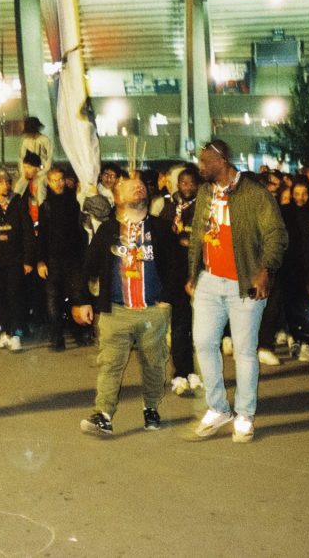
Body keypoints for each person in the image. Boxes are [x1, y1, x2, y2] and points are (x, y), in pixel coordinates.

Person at [185, 139, 288, 443]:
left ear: (223, 159)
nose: (201, 166)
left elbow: (276, 235)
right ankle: (218, 408)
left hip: (244, 283)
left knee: (244, 351)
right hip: (209, 281)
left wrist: (265, 269)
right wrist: (193, 274)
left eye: (206, 161)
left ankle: (244, 414)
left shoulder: (256, 194)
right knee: (203, 343)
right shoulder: (205, 192)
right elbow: (198, 236)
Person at [72, 174, 178, 435]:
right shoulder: (108, 230)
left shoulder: (161, 229)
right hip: (116, 311)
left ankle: (151, 406)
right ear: (117, 198)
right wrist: (82, 300)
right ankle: (103, 414)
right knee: (110, 364)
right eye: (131, 187)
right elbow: (86, 267)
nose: (139, 187)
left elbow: (177, 266)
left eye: (142, 185)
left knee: (154, 364)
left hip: (152, 311)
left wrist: (167, 298)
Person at [0, 168, 35, 352]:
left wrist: (28, 259)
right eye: (1, 182)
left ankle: (15, 334)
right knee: (0, 298)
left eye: (7, 182)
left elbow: (27, 232)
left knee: (15, 296)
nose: (5, 185)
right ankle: (6, 332)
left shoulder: (18, 203)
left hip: (15, 259)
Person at [159, 164, 204, 395]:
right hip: (175, 274)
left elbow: (205, 238)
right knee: (179, 326)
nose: (188, 186)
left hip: (197, 272)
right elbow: (162, 240)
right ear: (178, 185)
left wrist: (189, 240)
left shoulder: (203, 207)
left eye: (192, 183)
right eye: (184, 182)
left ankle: (195, 370)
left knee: (200, 328)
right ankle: (180, 371)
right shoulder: (168, 208)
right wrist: (177, 240)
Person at [37, 167, 87, 350]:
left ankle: (79, 332)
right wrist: (40, 261)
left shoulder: (74, 202)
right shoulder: (46, 206)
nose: (58, 183)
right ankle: (57, 337)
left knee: (77, 297)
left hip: (74, 258)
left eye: (60, 179)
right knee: (53, 301)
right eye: (54, 180)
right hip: (53, 260)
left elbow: (81, 231)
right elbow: (41, 235)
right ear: (48, 182)